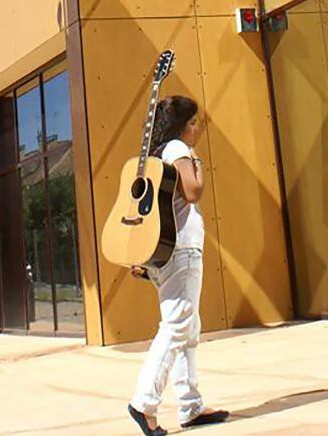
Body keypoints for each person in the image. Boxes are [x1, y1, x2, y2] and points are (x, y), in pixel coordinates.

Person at [128, 96, 229, 435]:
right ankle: (144, 403)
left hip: (161, 251)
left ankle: (191, 406)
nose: (197, 128)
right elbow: (194, 190)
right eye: (193, 122)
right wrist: (195, 156)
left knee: (188, 328)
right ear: (182, 125)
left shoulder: (153, 155)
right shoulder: (176, 149)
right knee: (176, 326)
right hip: (181, 249)